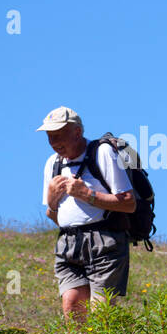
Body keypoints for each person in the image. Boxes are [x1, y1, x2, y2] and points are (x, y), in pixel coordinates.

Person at [38, 106, 137, 321]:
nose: (54, 142)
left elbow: (129, 203)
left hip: (105, 242)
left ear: (77, 132)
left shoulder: (102, 153)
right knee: (71, 306)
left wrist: (87, 195)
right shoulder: (52, 164)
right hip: (68, 244)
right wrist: (53, 202)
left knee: (101, 311)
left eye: (59, 135)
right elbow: (53, 215)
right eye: (50, 137)